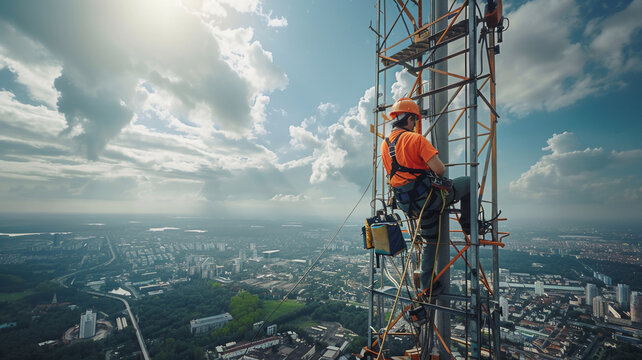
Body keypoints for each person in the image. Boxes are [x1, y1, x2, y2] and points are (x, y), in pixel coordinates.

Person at [381, 97, 472, 296]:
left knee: (431, 239)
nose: (415, 124)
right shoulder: (416, 139)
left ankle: (427, 286)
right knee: (469, 182)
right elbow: (439, 170)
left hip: (407, 204)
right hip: (427, 200)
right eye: (414, 120)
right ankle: (468, 223)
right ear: (411, 119)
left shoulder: (385, 145)